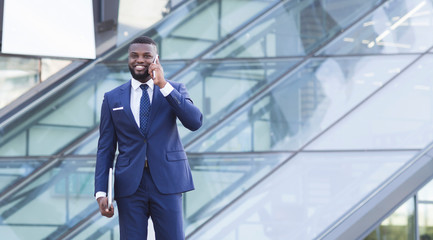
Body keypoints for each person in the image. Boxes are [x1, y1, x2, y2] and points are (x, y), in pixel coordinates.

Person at [94, 36, 202, 239]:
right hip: (130, 183)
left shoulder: (174, 89)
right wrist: (101, 192)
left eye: (146, 55)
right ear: (128, 59)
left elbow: (195, 122)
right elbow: (105, 148)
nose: (139, 60)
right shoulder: (112, 98)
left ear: (156, 59)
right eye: (134, 55)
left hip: (167, 180)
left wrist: (163, 85)